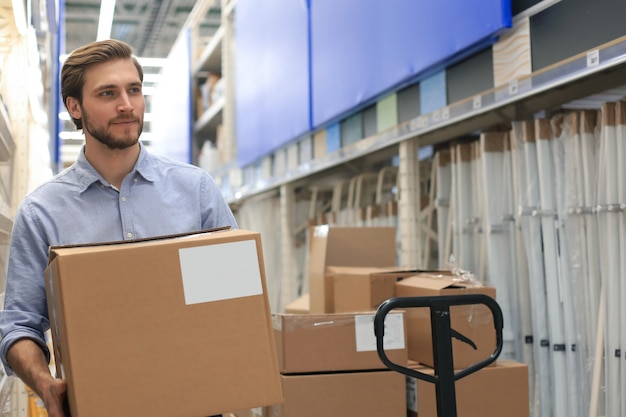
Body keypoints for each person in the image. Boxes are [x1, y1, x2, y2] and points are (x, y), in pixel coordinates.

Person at [0, 39, 237, 417]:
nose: (126, 105)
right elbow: (18, 326)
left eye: (134, 90)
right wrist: (45, 384)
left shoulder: (195, 192)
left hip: (196, 403)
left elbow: (233, 303)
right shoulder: (42, 212)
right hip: (98, 406)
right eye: (108, 93)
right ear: (74, 106)